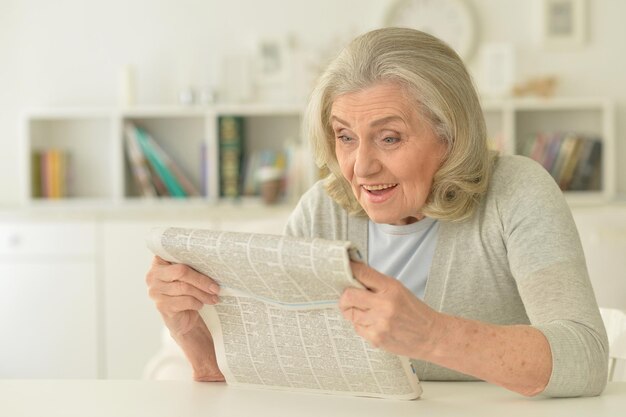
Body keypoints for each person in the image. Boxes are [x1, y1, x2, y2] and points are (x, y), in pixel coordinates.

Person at [145, 27, 608, 397]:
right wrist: (195, 340)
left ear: (450, 136)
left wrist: (430, 335)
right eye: (345, 137)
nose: (361, 167)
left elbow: (585, 357)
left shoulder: (517, 191)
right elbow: (278, 383)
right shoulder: (322, 210)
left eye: (389, 138)